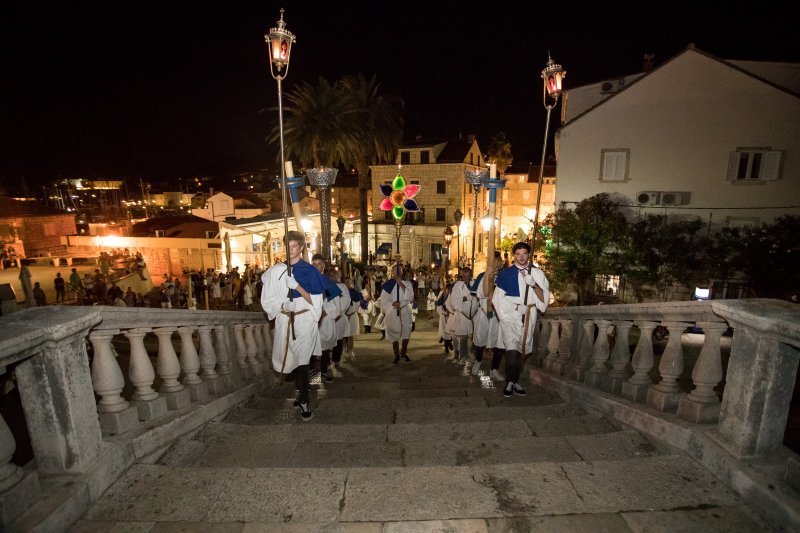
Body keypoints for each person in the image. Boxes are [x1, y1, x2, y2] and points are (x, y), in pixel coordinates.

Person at [261, 231, 328, 421]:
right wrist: (282, 305)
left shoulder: (310, 271)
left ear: (301, 247)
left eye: (294, 246)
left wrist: (297, 286)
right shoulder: (275, 271)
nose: (290, 250)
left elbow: (315, 302)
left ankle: (305, 400)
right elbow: (267, 301)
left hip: (305, 320)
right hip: (285, 320)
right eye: (287, 246)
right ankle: (300, 390)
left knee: (302, 362)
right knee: (290, 361)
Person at [492, 242, 550, 398]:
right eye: (518, 254)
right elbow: (497, 300)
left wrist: (533, 284)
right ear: (514, 256)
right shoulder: (506, 274)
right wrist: (515, 309)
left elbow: (544, 301)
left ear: (529, 255)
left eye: (524, 253)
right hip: (510, 318)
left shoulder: (537, 274)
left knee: (521, 352)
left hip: (529, 317)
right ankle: (510, 383)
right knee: (511, 349)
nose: (521, 257)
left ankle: (514, 380)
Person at [378, 263, 414, 363]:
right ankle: (397, 355)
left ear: (402, 272)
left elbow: (410, 297)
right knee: (394, 332)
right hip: (393, 311)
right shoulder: (388, 284)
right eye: (396, 270)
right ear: (392, 272)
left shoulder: (407, 283)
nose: (398, 271)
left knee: (406, 332)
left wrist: (401, 285)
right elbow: (384, 300)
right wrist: (393, 304)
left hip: (405, 310)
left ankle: (403, 352)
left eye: (400, 270)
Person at [445, 267, 477, 366]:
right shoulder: (458, 286)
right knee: (461, 336)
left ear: (471, 275)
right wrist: (465, 298)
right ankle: (460, 355)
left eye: (468, 276)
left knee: (473, 337)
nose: (466, 278)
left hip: (473, 315)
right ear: (462, 276)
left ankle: (469, 354)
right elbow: (453, 301)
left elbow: (478, 297)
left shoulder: (474, 284)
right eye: (464, 276)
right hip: (461, 314)